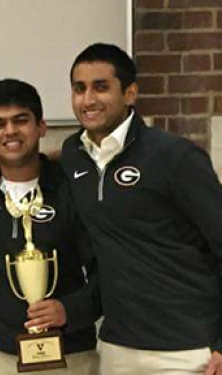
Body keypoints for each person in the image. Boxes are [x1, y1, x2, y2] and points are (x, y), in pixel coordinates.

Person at [60, 43, 222, 375]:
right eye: (80, 89)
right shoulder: (74, 154)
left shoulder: (175, 157)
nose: (88, 100)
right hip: (118, 347)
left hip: (186, 350)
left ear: (130, 93)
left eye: (101, 87)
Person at [0, 79, 99, 375]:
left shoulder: (71, 189)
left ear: (41, 126)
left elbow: (110, 270)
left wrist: (70, 310)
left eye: (21, 120)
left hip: (70, 355)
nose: (10, 131)